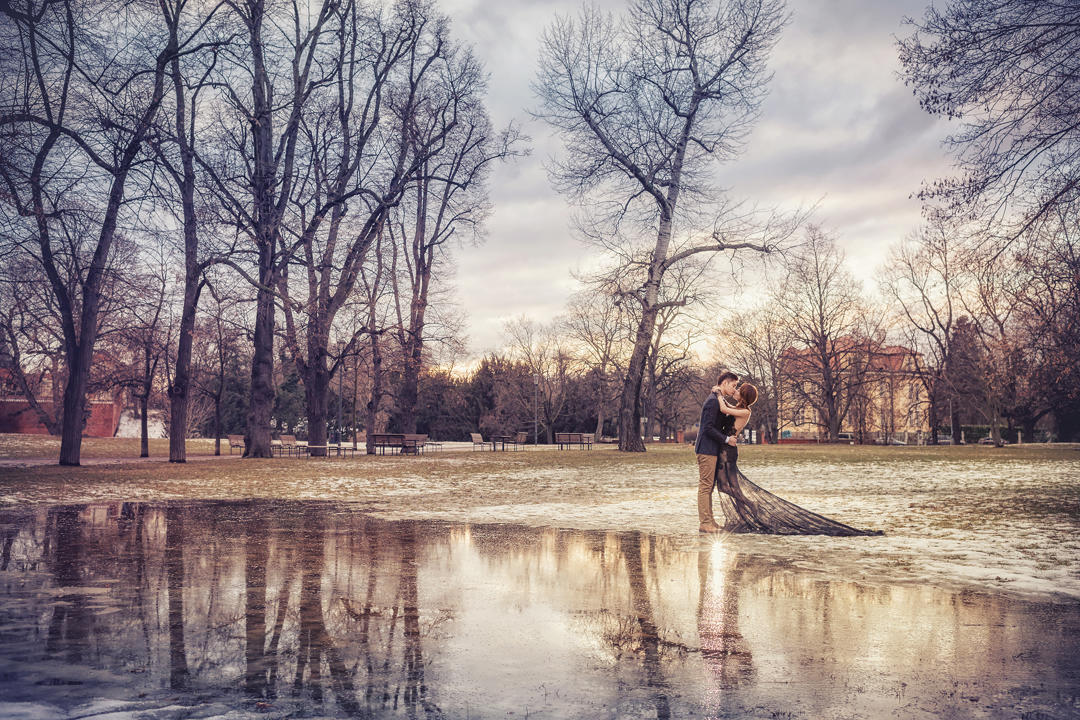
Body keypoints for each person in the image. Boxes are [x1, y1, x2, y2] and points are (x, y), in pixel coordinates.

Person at [704, 380, 881, 536]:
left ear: (743, 395)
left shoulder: (745, 411)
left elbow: (723, 408)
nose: (736, 390)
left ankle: (751, 505)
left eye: (739, 389)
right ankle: (744, 517)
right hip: (727, 449)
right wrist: (728, 393)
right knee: (732, 487)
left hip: (728, 452)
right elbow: (729, 407)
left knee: (727, 487)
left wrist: (718, 392)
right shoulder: (739, 408)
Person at [694, 371, 740, 533]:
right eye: (733, 386)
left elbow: (727, 418)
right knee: (706, 486)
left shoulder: (719, 400)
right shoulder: (712, 402)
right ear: (725, 383)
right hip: (706, 449)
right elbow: (707, 429)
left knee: (709, 486)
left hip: (712, 449)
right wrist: (727, 440)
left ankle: (710, 521)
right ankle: (705, 523)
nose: (734, 389)